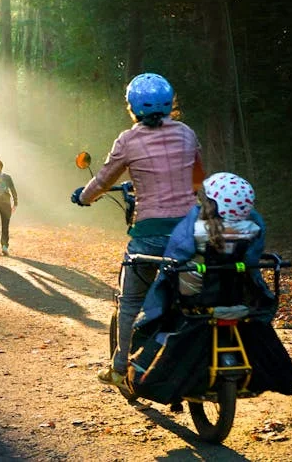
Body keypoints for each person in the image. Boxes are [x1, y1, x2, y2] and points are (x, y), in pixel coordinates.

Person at [70, 72, 204, 394]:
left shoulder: (128, 140)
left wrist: (83, 197)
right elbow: (198, 180)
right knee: (195, 295)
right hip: (190, 232)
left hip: (150, 235)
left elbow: (102, 181)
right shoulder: (186, 134)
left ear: (132, 108)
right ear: (171, 103)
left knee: (130, 301)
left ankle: (119, 369)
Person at [137, 172, 274, 327]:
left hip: (196, 295)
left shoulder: (195, 230)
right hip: (239, 294)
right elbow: (252, 259)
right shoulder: (254, 230)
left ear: (211, 203)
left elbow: (174, 258)